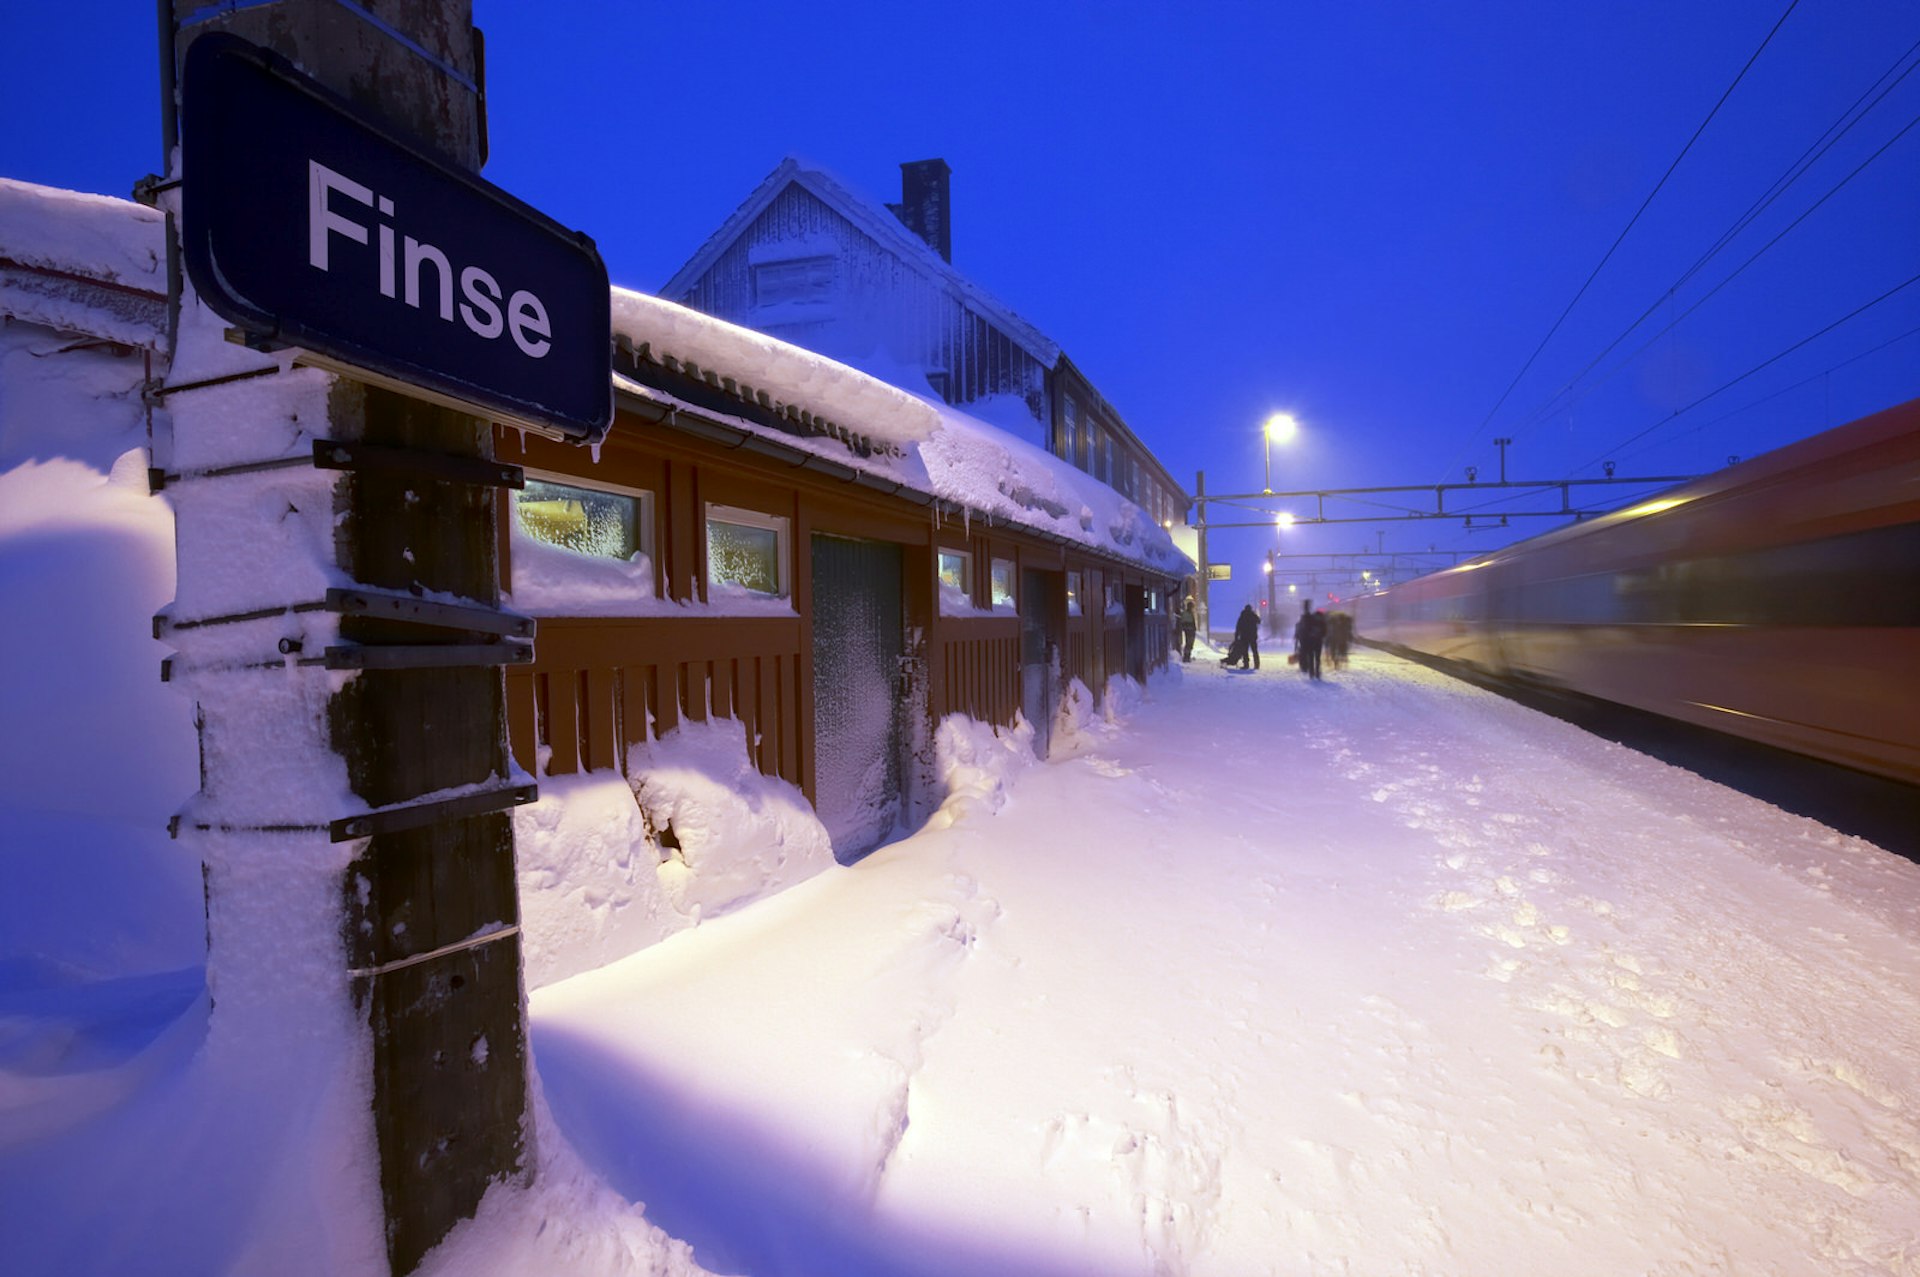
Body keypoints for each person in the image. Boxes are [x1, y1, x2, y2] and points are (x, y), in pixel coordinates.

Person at [1294, 598, 1327, 680]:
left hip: (1310, 641)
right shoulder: (1321, 620)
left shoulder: (1307, 618)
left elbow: (1304, 630)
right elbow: (1325, 630)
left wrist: (1304, 637)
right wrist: (1321, 636)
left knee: (1311, 657)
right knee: (1317, 658)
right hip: (1318, 641)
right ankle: (1317, 672)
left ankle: (1312, 672)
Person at [1222, 602, 1262, 670]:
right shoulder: (1253, 615)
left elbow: (1238, 627)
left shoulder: (1242, 616)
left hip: (1244, 637)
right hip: (1252, 637)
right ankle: (1257, 664)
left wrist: (1236, 637)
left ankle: (1246, 664)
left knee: (1245, 651)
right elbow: (1259, 621)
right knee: (1254, 651)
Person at [1176, 595, 1197, 663]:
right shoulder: (1186, 613)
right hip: (1189, 630)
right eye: (1192, 607)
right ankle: (1186, 657)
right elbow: (1184, 621)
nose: (1193, 608)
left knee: (1190, 644)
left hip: (1190, 630)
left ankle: (1187, 656)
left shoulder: (1189, 613)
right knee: (1189, 643)